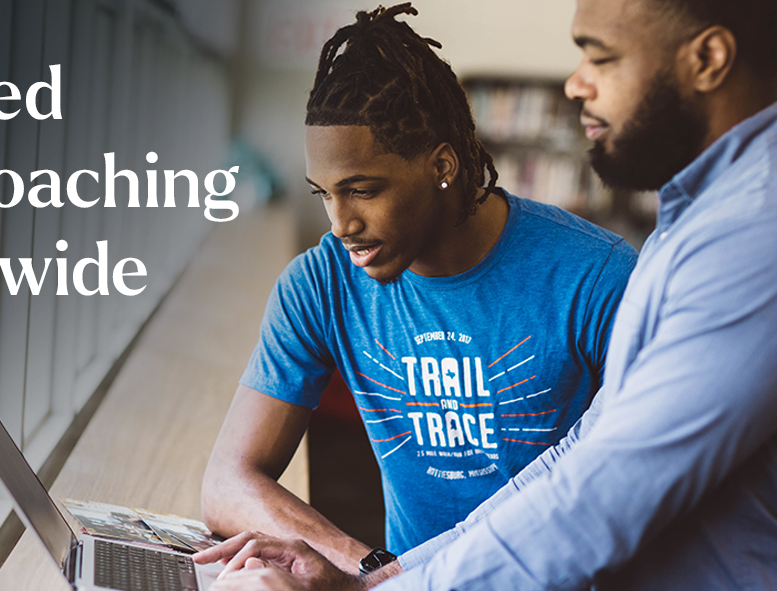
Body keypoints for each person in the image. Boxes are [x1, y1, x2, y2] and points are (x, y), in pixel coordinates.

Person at [195, 0, 777, 588]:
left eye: (600, 56)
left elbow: (597, 500)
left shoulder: (769, 239)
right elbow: (583, 455)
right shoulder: (702, 222)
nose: (576, 83)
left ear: (709, 58)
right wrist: (389, 571)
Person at [200, 2, 638, 575]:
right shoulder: (321, 282)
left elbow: (637, 487)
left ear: (443, 165)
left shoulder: (598, 277)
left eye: (362, 189)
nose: (340, 224)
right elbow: (228, 481)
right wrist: (376, 570)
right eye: (323, 194)